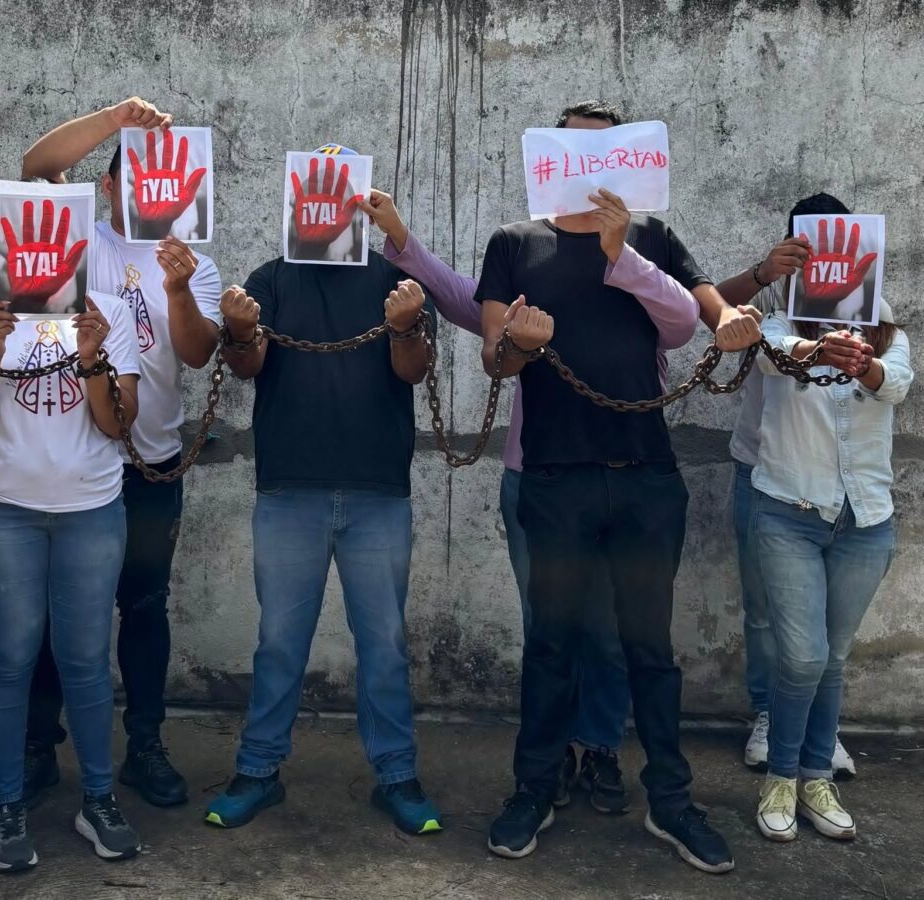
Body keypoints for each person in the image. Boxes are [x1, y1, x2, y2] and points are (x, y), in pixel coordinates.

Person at [358, 178, 731, 816]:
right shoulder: (520, 248)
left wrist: (628, 260)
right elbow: (467, 304)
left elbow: (685, 320)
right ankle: (550, 755)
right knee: (550, 631)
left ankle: (601, 747)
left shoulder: (647, 242)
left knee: (616, 635)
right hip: (540, 473)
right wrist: (399, 239)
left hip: (632, 465)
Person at [477, 102, 742, 874]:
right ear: (554, 155)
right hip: (556, 476)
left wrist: (720, 308)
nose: (592, 161)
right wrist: (517, 347)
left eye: (607, 148)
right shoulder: (515, 241)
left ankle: (672, 802)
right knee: (550, 646)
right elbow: (495, 358)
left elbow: (696, 312)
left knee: (650, 652)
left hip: (646, 474)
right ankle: (532, 789)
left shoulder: (651, 235)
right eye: (575, 147)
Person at [204, 144, 443, 836]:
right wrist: (243, 331)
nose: (325, 209)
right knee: (279, 642)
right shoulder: (270, 280)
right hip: (290, 490)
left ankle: (397, 777)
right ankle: (257, 770)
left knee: (385, 644)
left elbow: (412, 371)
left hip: (376, 494)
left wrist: (405, 326)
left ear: (362, 207)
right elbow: (247, 367)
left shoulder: (394, 280)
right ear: (294, 205)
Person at [19, 99, 222, 809]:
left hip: (150, 462)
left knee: (143, 607)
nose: (150, 191)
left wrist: (177, 290)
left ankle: (145, 745)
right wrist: (116, 123)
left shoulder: (194, 259)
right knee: (53, 611)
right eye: (133, 178)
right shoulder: (79, 238)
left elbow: (197, 355)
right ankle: (38, 744)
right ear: (110, 188)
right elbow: (35, 167)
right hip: (71, 460)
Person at [0, 251, 142, 869]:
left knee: (85, 659)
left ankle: (98, 798)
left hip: (91, 508)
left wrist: (91, 358)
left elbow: (117, 425)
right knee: (9, 658)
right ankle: (6, 808)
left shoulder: (106, 310)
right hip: (3, 510)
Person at [751, 199, 911, 843]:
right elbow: (769, 354)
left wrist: (863, 362)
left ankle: (817, 775)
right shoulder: (775, 322)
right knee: (802, 655)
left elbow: (895, 384)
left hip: (866, 521)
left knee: (834, 657)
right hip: (789, 511)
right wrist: (819, 345)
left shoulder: (890, 329)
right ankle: (781, 778)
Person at [712, 194, 860, 777]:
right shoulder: (770, 293)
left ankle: (820, 732)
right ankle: (769, 714)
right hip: (762, 469)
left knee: (828, 622)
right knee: (764, 608)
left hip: (836, 477)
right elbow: (706, 308)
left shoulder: (863, 301)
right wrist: (762, 271)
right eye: (809, 240)